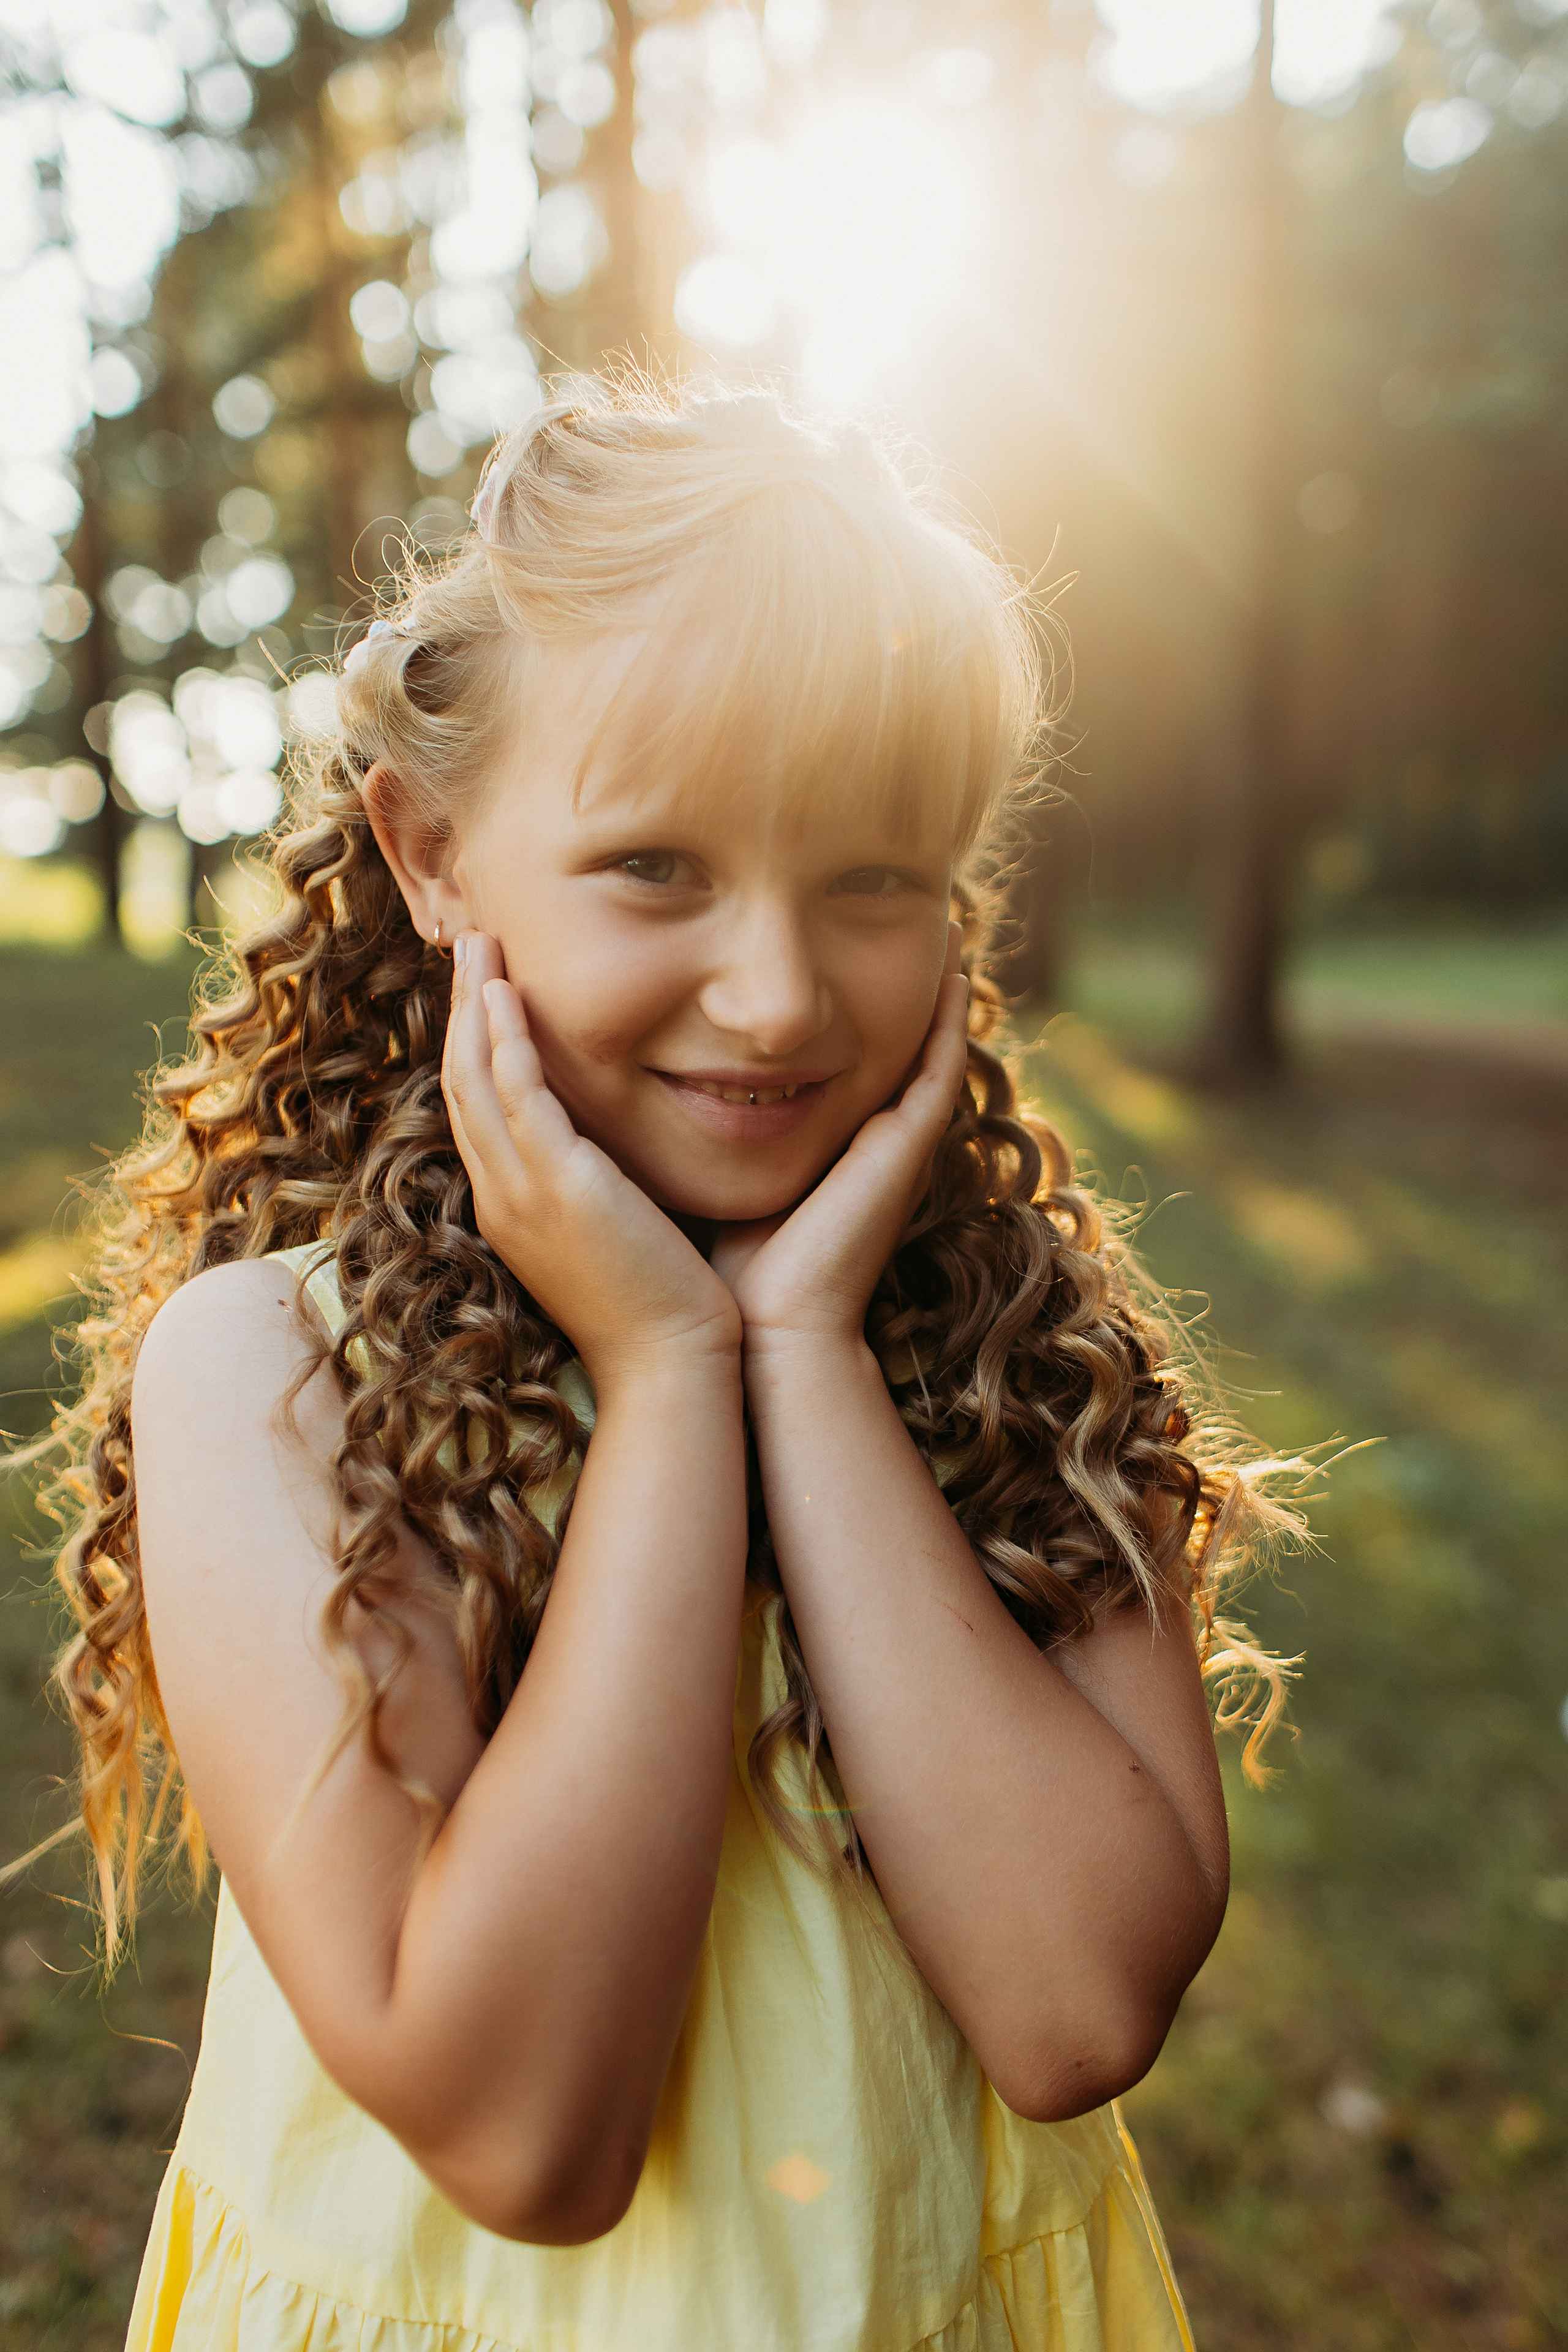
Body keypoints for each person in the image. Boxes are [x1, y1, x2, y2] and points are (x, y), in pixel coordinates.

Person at [36, 385, 1294, 2351]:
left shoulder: (1013, 1356)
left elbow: (1073, 2007)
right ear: (436, 852)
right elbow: (532, 2134)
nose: (780, 994)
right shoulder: (273, 1378)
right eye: (656, 868)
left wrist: (796, 1349)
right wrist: (660, 1366)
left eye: (874, 879)